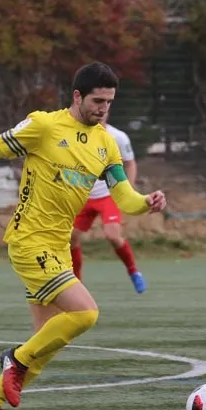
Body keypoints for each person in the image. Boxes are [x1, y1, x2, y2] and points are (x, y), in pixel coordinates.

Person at [0, 62, 167, 410]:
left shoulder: (106, 144)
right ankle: (14, 359)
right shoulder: (44, 125)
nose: (103, 109)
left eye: (109, 102)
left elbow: (122, 196)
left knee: (48, 340)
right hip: (29, 240)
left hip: (58, 247)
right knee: (85, 314)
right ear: (77, 96)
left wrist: (145, 202)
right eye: (98, 101)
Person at [70, 117, 145, 292]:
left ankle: (134, 271)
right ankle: (76, 283)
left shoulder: (118, 137)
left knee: (112, 235)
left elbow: (130, 163)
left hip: (109, 195)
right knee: (70, 238)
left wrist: (128, 190)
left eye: (104, 106)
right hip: (84, 196)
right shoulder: (76, 134)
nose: (100, 111)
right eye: (96, 105)